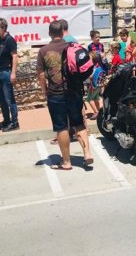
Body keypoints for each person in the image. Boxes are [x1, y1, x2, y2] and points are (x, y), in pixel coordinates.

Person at [37, 20, 93, 171]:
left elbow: (41, 75)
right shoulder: (72, 47)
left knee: (61, 127)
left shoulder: (43, 51)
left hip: (56, 94)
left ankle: (67, 162)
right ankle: (87, 153)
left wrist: (44, 91)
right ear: (63, 33)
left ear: (49, 33)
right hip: (74, 92)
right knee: (79, 123)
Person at [0, 18, 20, 132]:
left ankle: (15, 122)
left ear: (3, 27)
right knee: (1, 99)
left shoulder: (9, 40)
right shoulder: (0, 40)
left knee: (9, 98)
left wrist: (13, 73)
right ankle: (6, 120)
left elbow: (14, 56)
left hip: (6, 72)